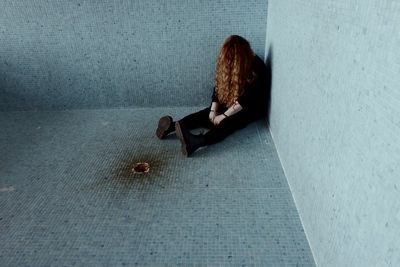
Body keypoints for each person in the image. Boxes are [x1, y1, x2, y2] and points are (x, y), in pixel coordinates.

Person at [156, 35, 269, 157]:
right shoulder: (229, 62)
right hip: (235, 100)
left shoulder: (258, 69)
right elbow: (219, 87)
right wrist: (213, 111)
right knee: (206, 114)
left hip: (251, 107)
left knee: (229, 122)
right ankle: (173, 126)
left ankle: (196, 142)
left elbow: (245, 100)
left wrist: (223, 116)